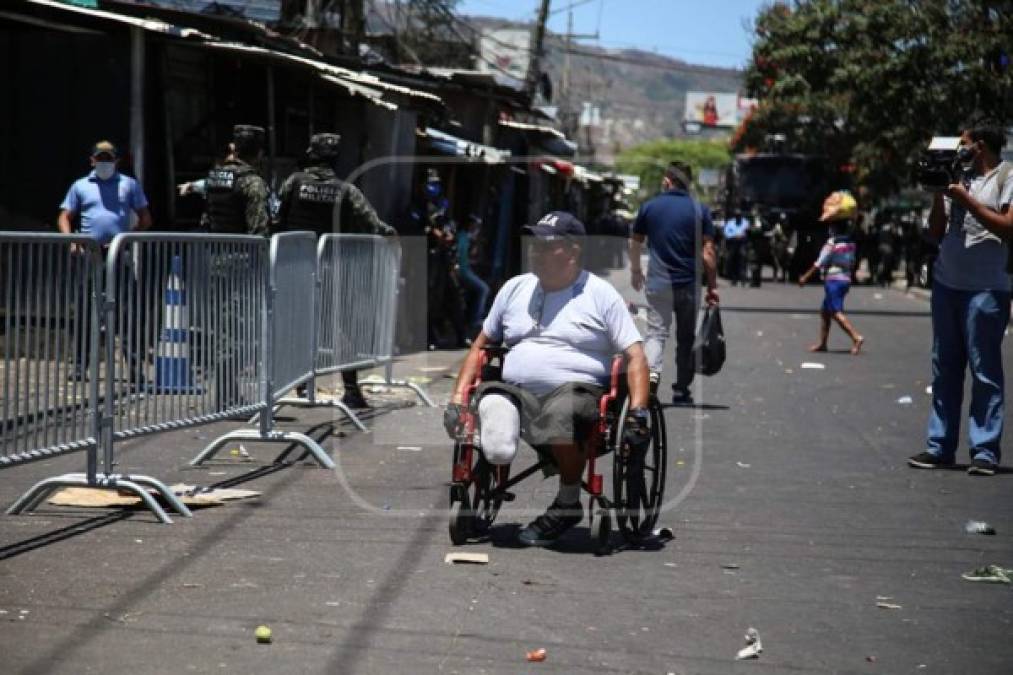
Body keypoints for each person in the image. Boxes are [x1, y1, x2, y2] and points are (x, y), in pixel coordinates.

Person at [445, 211, 650, 547]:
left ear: (572, 251)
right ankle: (488, 480)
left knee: (561, 415)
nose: (536, 251)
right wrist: (456, 400)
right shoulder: (514, 288)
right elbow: (480, 346)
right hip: (516, 391)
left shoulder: (600, 295)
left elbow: (636, 356)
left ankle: (568, 502)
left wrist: (639, 412)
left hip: (576, 391)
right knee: (494, 424)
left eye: (547, 245)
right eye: (534, 243)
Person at [908, 119, 1013, 477]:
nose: (959, 150)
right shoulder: (957, 178)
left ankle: (984, 451)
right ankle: (940, 447)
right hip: (947, 284)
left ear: (980, 145)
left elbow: (1007, 227)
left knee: (985, 372)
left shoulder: (1005, 177)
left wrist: (964, 199)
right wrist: (941, 192)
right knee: (945, 368)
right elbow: (935, 232)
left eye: (964, 144)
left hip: (987, 289)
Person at [279, 132, 398, 409]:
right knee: (342, 328)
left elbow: (277, 217)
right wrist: (392, 234)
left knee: (299, 324)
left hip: (296, 266)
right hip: (333, 269)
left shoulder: (294, 183)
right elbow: (373, 223)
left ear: (311, 153)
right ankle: (352, 390)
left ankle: (299, 383)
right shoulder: (346, 190)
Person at [58, 140, 151, 381]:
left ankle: (133, 368)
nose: (104, 163)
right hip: (90, 256)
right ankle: (80, 365)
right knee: (84, 311)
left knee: (127, 312)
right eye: (100, 158)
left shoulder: (128, 185)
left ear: (116, 161)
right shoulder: (80, 186)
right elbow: (65, 217)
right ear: (92, 160)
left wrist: (127, 238)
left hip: (118, 254)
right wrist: (71, 240)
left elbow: (145, 218)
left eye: (109, 158)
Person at [629, 161, 719, 405]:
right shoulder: (700, 210)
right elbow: (708, 253)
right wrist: (712, 286)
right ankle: (681, 390)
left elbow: (635, 242)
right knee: (686, 337)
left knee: (656, 334)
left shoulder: (649, 207)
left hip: (658, 284)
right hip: (689, 285)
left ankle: (649, 383)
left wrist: (636, 271)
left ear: (668, 181)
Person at [798, 191, 864, 355]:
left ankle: (856, 337)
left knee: (835, 311)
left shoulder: (832, 243)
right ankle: (823, 343)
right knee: (825, 312)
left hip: (834, 280)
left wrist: (805, 277)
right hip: (846, 279)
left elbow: (819, 263)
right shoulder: (850, 243)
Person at [202, 125, 270, 236]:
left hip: (213, 250)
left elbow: (205, 220)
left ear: (235, 149)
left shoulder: (213, 178)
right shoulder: (253, 182)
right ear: (259, 153)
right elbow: (259, 231)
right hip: (242, 251)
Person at [456, 214, 490, 336]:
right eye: (475, 226)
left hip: (466, 270)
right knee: (484, 289)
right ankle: (475, 321)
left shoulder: (466, 239)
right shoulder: (462, 238)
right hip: (463, 272)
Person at [722, 208, 749, 285]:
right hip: (733, 243)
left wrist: (742, 235)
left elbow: (748, 232)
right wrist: (734, 235)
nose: (738, 217)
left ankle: (743, 279)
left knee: (743, 260)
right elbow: (726, 233)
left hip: (742, 243)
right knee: (732, 260)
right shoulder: (730, 223)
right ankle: (734, 279)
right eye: (737, 216)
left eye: (739, 216)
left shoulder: (745, 223)